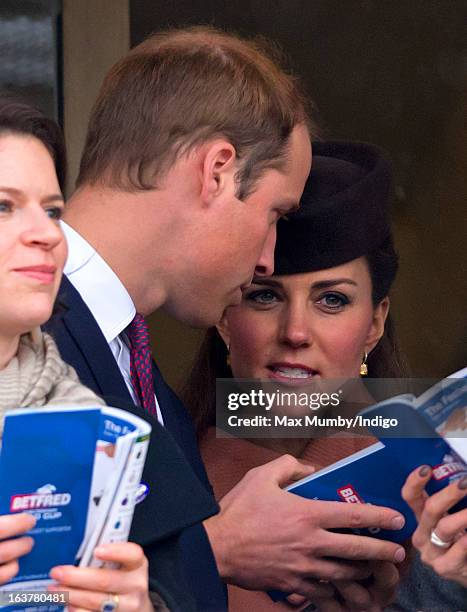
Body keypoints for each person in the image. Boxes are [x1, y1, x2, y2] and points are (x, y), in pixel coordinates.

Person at [45, 27, 408, 610]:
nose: (267, 254)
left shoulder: (145, 381)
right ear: (216, 171)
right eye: (273, 214)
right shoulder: (21, 329)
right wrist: (218, 548)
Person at [0, 97, 221, 612]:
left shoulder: (115, 434)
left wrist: (143, 606)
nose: (47, 234)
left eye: (53, 210)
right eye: (3, 207)